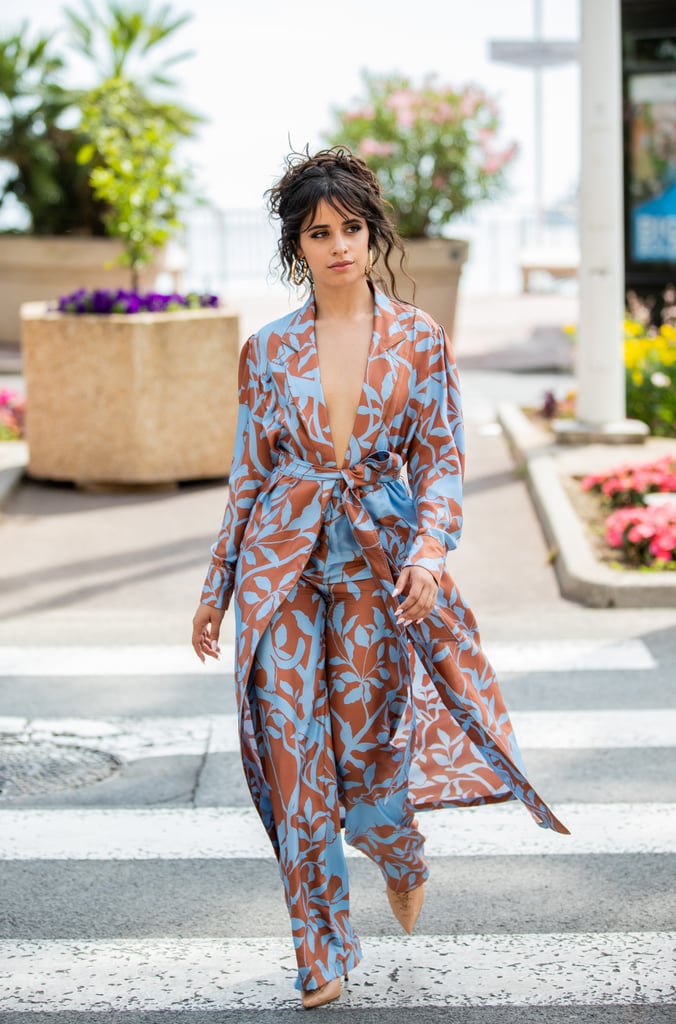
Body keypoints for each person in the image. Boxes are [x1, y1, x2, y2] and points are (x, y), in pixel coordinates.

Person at [192, 147, 569, 1010]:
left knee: (364, 766)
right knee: (295, 764)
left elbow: (441, 460)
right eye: (318, 233)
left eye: (351, 229)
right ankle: (319, 947)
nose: (337, 246)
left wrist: (430, 552)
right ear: (297, 246)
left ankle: (396, 849)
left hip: (378, 562)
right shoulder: (267, 350)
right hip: (278, 570)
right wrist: (216, 591)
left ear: (372, 236)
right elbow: (248, 476)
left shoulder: (419, 340)